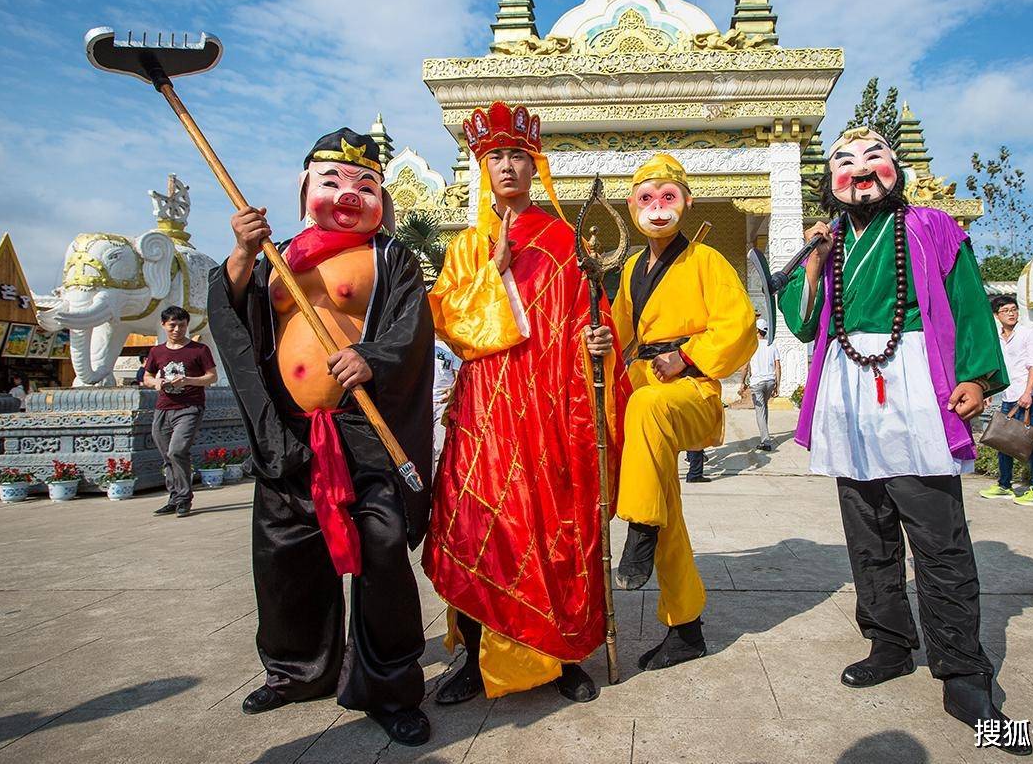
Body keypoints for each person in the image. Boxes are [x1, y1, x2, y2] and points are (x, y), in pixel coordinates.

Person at [778, 126, 1030, 755]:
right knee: (867, 528)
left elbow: (968, 302)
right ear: (829, 178)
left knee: (937, 535)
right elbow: (805, 324)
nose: (859, 171)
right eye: (844, 162)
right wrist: (810, 262)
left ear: (896, 168)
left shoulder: (932, 227)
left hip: (915, 377)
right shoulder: (830, 242)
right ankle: (888, 640)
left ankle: (963, 670)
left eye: (872, 159)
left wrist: (975, 373)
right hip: (848, 386)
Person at [207, 128, 434, 746]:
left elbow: (413, 329)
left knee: (382, 548)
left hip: (363, 427)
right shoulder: (274, 256)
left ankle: (389, 684)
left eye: (365, 185)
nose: (348, 194)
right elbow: (233, 320)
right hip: (288, 428)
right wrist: (240, 258)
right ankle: (297, 670)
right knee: (286, 554)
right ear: (303, 189)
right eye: (331, 181)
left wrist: (373, 358)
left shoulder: (391, 259)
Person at [425, 102, 628, 705]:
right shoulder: (466, 246)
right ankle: (476, 658)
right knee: (482, 527)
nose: (507, 166)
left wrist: (601, 343)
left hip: (551, 408)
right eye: (496, 157)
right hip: (487, 410)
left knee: (558, 527)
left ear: (535, 165)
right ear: (482, 167)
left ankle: (563, 651)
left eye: (518, 155)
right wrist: (495, 274)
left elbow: (592, 317)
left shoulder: (567, 240)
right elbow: (449, 324)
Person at [586, 153, 755, 671]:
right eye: (645, 199)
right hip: (642, 390)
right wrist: (599, 338)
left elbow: (740, 326)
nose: (657, 208)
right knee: (669, 511)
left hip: (691, 393)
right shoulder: (634, 266)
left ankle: (638, 525)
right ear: (631, 208)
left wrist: (685, 356)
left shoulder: (708, 261)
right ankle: (686, 627)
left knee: (649, 404)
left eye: (668, 197)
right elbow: (620, 332)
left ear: (687, 202)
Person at [143, 306, 217, 518]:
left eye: (182, 325)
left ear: (187, 325)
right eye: (172, 325)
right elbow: (146, 377)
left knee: (177, 451)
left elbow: (212, 376)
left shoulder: (199, 350)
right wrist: (156, 382)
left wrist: (188, 381)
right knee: (167, 455)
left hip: (189, 408)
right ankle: (174, 497)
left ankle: (184, 498)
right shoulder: (157, 351)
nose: (177, 329)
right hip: (163, 408)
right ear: (163, 325)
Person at [979, 294, 1033, 506]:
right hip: (1009, 395)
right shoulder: (997, 337)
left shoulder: (1028, 334)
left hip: (1026, 395)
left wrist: (1028, 392)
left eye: (1013, 309)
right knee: (1003, 440)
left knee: (1029, 441)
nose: (1010, 314)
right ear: (997, 315)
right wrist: (988, 392)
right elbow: (997, 368)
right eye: (1005, 311)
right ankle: (1004, 485)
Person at [743, 320, 781, 452]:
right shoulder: (772, 345)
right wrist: (778, 385)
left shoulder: (751, 346)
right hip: (770, 381)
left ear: (757, 331)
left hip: (757, 383)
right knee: (764, 408)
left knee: (760, 412)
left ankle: (766, 441)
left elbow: (745, 366)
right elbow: (778, 366)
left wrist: (742, 382)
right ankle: (765, 433)